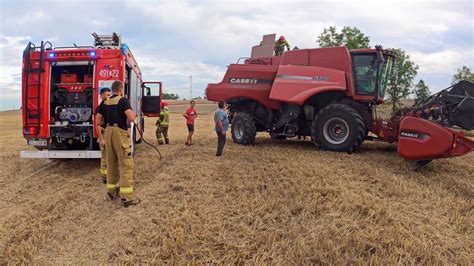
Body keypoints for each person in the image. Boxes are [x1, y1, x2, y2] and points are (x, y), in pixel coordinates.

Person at [95, 80, 139, 207]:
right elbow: (131, 118)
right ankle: (127, 197)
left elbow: (98, 121)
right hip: (119, 132)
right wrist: (134, 114)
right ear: (120, 89)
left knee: (111, 163)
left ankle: (111, 192)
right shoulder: (123, 100)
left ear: (112, 90)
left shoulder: (104, 102)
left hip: (107, 132)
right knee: (126, 164)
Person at [97, 87, 111, 183]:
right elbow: (98, 125)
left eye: (109, 95)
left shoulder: (109, 106)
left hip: (110, 133)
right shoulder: (100, 108)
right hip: (103, 133)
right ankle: (105, 177)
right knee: (105, 157)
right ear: (101, 95)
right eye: (106, 95)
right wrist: (101, 139)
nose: (108, 97)